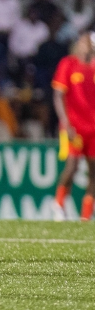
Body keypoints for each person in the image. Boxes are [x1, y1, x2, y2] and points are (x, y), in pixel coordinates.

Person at [50, 32, 95, 221]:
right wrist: (65, 122)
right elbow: (59, 94)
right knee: (72, 166)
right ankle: (58, 204)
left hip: (93, 127)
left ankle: (86, 215)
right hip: (74, 126)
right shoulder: (68, 64)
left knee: (94, 171)